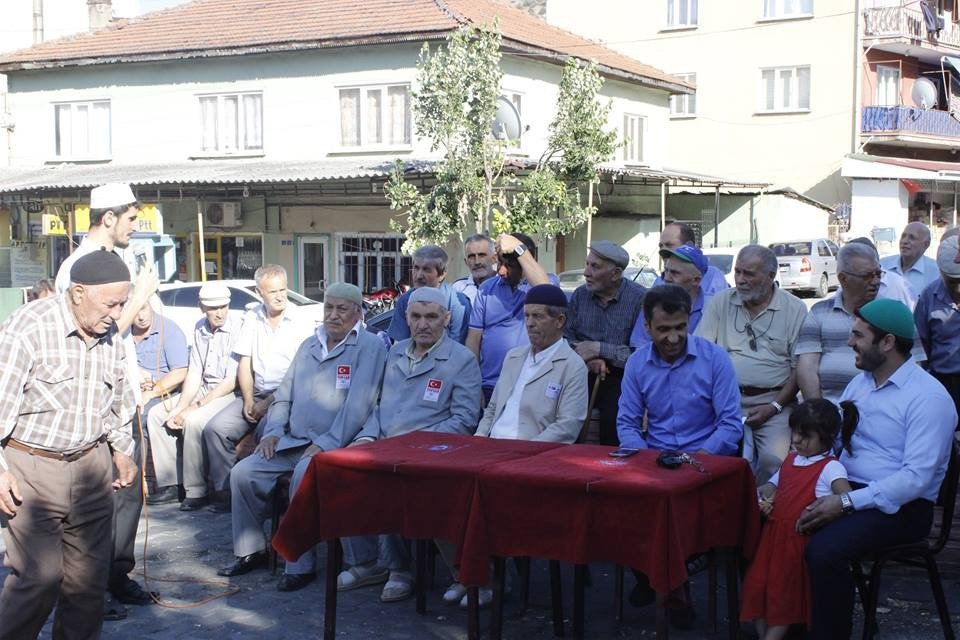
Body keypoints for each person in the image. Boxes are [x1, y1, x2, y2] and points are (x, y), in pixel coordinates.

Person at [0, 250, 139, 640]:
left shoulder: (107, 331)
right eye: (110, 303)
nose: (116, 313)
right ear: (78, 293)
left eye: (123, 303)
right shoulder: (28, 328)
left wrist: (121, 449)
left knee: (87, 585)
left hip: (92, 469)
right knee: (39, 579)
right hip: (33, 469)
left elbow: (119, 398)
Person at [799, 299, 957, 639]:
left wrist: (845, 503)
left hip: (903, 508)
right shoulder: (862, 383)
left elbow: (915, 480)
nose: (849, 342)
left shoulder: (929, 398)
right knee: (771, 522)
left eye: (858, 335)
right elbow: (836, 444)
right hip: (851, 490)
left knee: (824, 550)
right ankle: (788, 625)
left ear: (887, 343)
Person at [217, 283, 387, 592]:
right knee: (243, 473)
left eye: (342, 309)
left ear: (359, 314)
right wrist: (272, 432)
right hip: (293, 441)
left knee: (302, 476)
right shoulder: (309, 344)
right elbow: (284, 396)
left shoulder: (370, 346)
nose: (333, 316)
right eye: (329, 308)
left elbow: (359, 406)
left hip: (338, 445)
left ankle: (299, 564)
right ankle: (251, 550)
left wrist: (325, 443)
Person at [53, 182, 160, 615]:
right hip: (91, 401)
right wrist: (138, 299)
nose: (137, 226)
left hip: (123, 391)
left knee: (127, 491)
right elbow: (91, 339)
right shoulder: (78, 270)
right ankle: (86, 592)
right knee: (94, 501)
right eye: (131, 218)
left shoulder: (118, 260)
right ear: (108, 218)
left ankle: (117, 575)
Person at [343, 287, 483, 603]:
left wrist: (413, 446)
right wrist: (368, 437)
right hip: (384, 446)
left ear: (446, 319)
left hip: (431, 455)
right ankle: (370, 564)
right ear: (405, 318)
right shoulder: (394, 352)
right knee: (341, 471)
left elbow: (463, 420)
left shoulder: (462, 360)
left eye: (432, 317)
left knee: (395, 485)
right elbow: (375, 405)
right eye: (416, 317)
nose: (423, 324)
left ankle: (400, 570)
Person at [617, 284, 743, 628]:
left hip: (704, 464)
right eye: (663, 330)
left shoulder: (715, 358)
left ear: (689, 322)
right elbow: (627, 423)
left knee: (669, 516)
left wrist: (695, 461)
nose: (673, 338)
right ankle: (666, 583)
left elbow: (731, 425)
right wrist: (645, 463)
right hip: (654, 463)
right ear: (647, 328)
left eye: (680, 328)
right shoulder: (636, 363)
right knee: (617, 510)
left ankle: (660, 581)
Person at [740, 399, 857, 640]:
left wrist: (826, 510)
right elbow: (772, 487)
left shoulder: (831, 468)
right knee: (759, 589)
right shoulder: (792, 459)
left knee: (783, 596)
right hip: (772, 540)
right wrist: (762, 497)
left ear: (826, 437)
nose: (796, 440)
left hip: (796, 544)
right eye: (795, 433)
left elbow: (846, 499)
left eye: (806, 436)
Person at [202, 264, 314, 512]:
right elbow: (245, 362)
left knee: (263, 435)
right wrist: (249, 400)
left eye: (283, 290)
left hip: (286, 398)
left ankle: (265, 502)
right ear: (259, 291)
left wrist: (267, 403)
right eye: (272, 291)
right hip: (256, 392)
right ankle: (227, 493)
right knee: (215, 429)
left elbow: (299, 377)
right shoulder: (252, 316)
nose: (279, 296)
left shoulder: (300, 322)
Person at [696, 245, 808, 484]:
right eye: (737, 272)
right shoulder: (720, 302)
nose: (740, 280)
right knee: (708, 457)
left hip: (774, 402)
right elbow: (701, 354)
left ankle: (761, 513)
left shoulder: (795, 309)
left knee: (773, 462)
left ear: (770, 276)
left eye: (749, 274)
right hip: (723, 400)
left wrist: (775, 406)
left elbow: (799, 369)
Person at [146, 284, 242, 511]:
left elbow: (232, 380)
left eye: (223, 307)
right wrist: (180, 406)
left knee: (194, 420)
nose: (219, 313)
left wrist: (194, 407)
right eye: (213, 308)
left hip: (227, 391)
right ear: (202, 308)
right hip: (204, 387)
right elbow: (195, 373)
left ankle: (197, 490)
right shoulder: (201, 328)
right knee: (157, 413)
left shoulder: (239, 327)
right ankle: (172, 483)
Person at [475, 284, 588, 443]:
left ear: (560, 321)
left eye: (538, 316)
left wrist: (526, 450)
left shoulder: (572, 366)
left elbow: (567, 426)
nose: (529, 323)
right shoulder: (513, 357)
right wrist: (479, 437)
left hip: (533, 454)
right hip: (492, 445)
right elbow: (492, 409)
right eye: (526, 316)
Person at [564, 240, 646, 445]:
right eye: (587, 264)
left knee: (614, 419)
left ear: (616, 274)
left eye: (595, 267)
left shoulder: (640, 299)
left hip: (621, 376)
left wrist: (600, 349)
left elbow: (642, 355)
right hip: (580, 370)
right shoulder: (580, 296)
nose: (586, 272)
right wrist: (588, 359)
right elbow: (564, 339)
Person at [466, 233, 556, 400]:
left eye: (510, 265)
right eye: (500, 262)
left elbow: (546, 292)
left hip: (529, 386)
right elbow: (473, 341)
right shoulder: (486, 289)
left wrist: (518, 248)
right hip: (490, 386)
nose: (501, 271)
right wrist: (473, 383)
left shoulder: (544, 282)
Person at [630, 244, 711, 348]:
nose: (667, 278)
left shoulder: (712, 307)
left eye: (675, 273)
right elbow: (639, 346)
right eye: (666, 271)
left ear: (696, 280)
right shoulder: (653, 303)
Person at [387, 244, 471, 344]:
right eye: (416, 268)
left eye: (426, 270)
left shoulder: (459, 303)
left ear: (442, 275)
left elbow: (459, 348)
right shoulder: (405, 300)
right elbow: (399, 346)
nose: (418, 276)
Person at [915, 235, 960, 418]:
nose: (958, 289)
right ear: (940, 272)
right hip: (943, 383)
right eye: (952, 281)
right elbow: (920, 347)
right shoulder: (928, 296)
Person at [131, 300, 189, 415]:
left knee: (140, 414)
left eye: (143, 308)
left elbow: (180, 372)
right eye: (135, 312)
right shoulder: (124, 332)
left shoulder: (170, 330)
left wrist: (151, 392)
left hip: (161, 392)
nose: (141, 317)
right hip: (132, 388)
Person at [657, 222, 728, 296]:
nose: (662, 250)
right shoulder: (658, 282)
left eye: (669, 245)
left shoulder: (713, 276)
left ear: (689, 245)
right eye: (661, 246)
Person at [881, 222, 940, 299]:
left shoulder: (936, 272)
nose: (904, 241)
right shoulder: (883, 265)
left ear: (926, 244)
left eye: (912, 238)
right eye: (903, 236)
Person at [452, 233, 497, 305]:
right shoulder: (458, 288)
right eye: (471, 256)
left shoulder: (506, 285)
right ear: (466, 262)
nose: (477, 262)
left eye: (482, 255)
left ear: (494, 258)